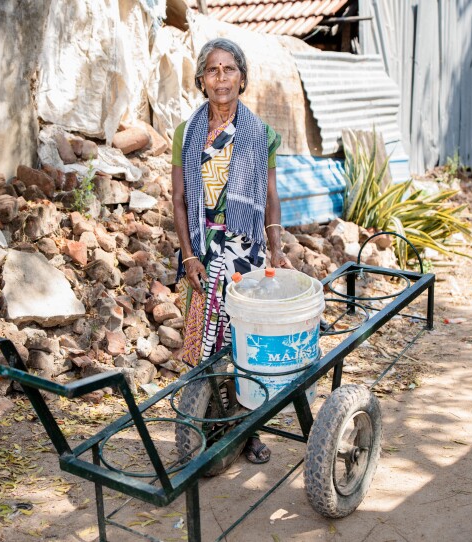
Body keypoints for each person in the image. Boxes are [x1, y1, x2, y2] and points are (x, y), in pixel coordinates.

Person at [171, 38, 291, 464]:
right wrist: (187, 256)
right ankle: (210, 421)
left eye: (229, 70)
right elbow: (180, 201)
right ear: (202, 80)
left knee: (245, 343)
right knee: (206, 346)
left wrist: (275, 247)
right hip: (204, 253)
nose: (221, 78)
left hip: (246, 252)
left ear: (242, 78)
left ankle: (250, 430)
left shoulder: (262, 134)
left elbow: (271, 196)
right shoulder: (187, 133)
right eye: (212, 70)